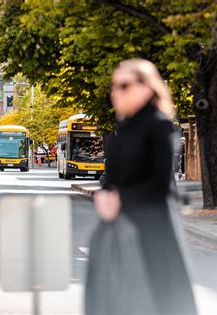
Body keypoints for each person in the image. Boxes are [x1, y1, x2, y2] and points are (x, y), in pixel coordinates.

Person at [86, 59, 197, 315]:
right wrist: (104, 195)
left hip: (152, 228)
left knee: (155, 299)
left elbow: (160, 183)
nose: (116, 92)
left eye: (124, 85)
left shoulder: (159, 125)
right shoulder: (123, 128)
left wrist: (119, 198)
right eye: (115, 85)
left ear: (146, 88)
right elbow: (112, 179)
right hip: (117, 227)